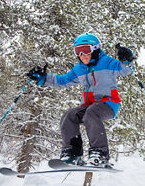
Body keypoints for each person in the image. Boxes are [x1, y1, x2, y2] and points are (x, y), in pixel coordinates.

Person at [27, 33, 134, 168]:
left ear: (95, 49)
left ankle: (100, 154)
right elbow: (62, 81)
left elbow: (125, 70)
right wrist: (43, 78)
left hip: (108, 104)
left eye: (86, 50)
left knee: (92, 112)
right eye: (78, 51)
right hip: (89, 105)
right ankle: (72, 153)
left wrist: (127, 59)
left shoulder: (107, 62)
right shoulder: (79, 69)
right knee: (70, 115)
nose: (82, 54)